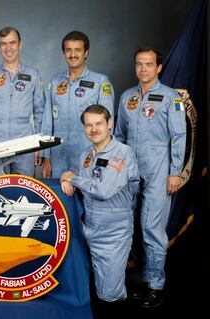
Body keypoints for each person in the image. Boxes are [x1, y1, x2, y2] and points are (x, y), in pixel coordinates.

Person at [114, 47, 186, 308]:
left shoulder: (170, 98)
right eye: (139, 64)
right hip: (131, 170)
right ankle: (144, 280)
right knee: (132, 226)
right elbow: (119, 136)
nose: (143, 69)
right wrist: (117, 168)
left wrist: (175, 173)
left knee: (151, 228)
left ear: (159, 68)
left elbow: (179, 137)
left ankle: (156, 285)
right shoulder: (127, 97)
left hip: (158, 168)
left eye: (149, 64)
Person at [60, 105, 139, 305]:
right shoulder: (86, 154)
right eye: (88, 125)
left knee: (110, 292)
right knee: (94, 288)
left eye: (98, 124)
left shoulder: (121, 154)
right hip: (88, 228)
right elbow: (74, 172)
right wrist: (66, 178)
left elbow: (103, 190)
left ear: (109, 124)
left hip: (113, 232)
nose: (93, 129)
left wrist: (74, 179)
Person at [41, 31, 114, 178]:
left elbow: (108, 123)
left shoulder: (100, 82)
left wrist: (104, 156)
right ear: (64, 53)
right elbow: (47, 121)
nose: (73, 54)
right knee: (58, 198)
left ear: (86, 53)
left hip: (88, 151)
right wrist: (46, 157)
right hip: (58, 153)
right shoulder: (55, 82)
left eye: (78, 50)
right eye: (68, 50)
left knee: (87, 196)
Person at [0, 26, 45, 177]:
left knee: (24, 187)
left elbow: (40, 112)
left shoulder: (33, 75)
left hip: (25, 141)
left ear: (20, 44)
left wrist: (40, 145)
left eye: (12, 43)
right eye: (4, 43)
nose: (8, 48)